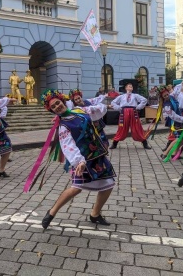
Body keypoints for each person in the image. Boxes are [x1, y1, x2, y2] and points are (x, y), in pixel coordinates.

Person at [38, 89, 116, 229]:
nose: (57, 107)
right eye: (54, 107)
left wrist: (102, 106)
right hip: (82, 161)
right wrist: (78, 161)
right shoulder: (63, 126)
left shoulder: (79, 111)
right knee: (76, 188)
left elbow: (99, 111)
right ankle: (51, 212)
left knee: (108, 184)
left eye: (57, 103)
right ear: (53, 111)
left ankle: (95, 214)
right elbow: (68, 145)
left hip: (97, 156)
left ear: (63, 101)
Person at [109, 83, 152, 149]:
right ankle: (115, 143)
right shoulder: (121, 96)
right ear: (126, 88)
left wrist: (138, 107)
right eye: (129, 86)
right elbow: (113, 103)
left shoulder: (135, 95)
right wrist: (119, 108)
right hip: (124, 112)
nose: (130, 87)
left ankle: (144, 142)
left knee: (137, 127)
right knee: (122, 127)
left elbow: (144, 100)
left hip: (133, 112)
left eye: (131, 86)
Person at [152, 86, 183, 159]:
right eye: (165, 96)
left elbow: (177, 90)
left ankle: (174, 154)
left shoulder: (172, 97)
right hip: (175, 122)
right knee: (178, 138)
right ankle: (165, 153)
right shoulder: (167, 105)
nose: (167, 96)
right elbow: (174, 117)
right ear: (163, 97)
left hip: (180, 120)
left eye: (167, 94)